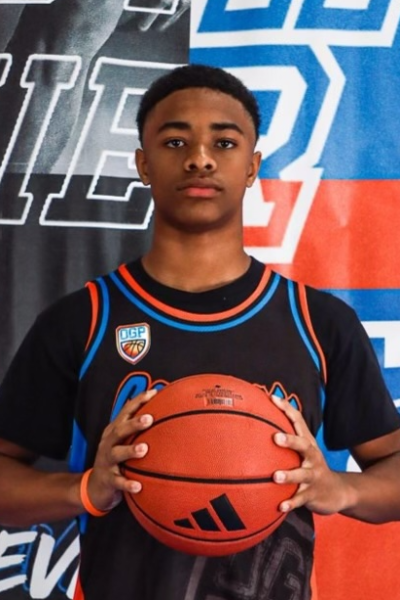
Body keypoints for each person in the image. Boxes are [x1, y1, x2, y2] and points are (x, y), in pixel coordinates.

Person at [0, 64, 400, 600]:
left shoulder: (319, 322)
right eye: (175, 141)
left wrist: (340, 489)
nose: (200, 159)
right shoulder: (83, 320)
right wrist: (86, 490)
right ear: (143, 163)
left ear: (253, 166)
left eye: (224, 142)